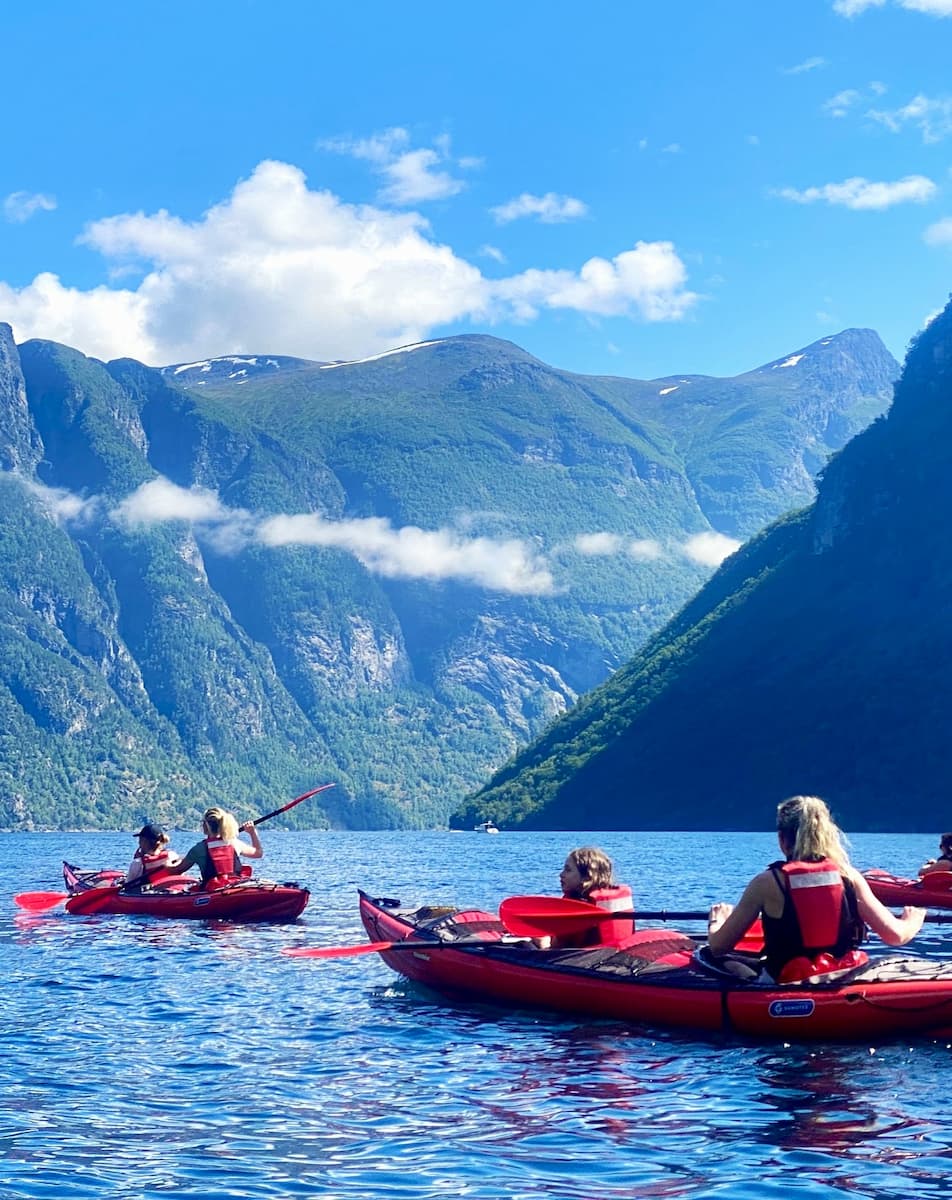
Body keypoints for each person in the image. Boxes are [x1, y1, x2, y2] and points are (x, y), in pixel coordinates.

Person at [707, 795, 925, 983]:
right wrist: (913, 920)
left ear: (782, 839)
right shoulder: (849, 877)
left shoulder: (767, 883)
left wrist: (717, 922)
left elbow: (718, 947)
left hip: (787, 982)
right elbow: (896, 936)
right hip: (843, 977)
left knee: (714, 959)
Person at [541, 846, 634, 950]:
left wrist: (542, 941)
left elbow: (556, 946)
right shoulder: (605, 900)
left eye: (568, 870)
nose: (561, 874)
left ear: (586, 877)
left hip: (576, 956)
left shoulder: (574, 906)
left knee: (528, 942)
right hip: (610, 953)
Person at [159, 806, 263, 889]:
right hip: (235, 887)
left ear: (205, 825)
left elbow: (176, 870)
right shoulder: (234, 843)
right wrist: (252, 832)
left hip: (213, 891)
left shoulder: (198, 849)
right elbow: (258, 853)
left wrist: (167, 863)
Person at [124, 822, 181, 889]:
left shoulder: (138, 863)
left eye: (140, 839)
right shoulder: (172, 856)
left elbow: (127, 886)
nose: (139, 842)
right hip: (173, 891)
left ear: (144, 841)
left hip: (148, 893)